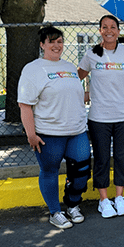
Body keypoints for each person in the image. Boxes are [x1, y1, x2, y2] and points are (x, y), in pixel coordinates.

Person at [18, 26, 90, 229]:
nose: (56, 45)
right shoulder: (32, 69)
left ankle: (72, 205)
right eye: (51, 41)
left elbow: (76, 96)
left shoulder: (68, 67)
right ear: (42, 44)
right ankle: (55, 212)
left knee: (81, 171)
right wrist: (31, 134)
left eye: (59, 41)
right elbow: (25, 105)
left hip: (76, 131)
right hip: (49, 133)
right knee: (50, 171)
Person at [77, 15, 124, 218]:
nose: (109, 30)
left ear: (119, 31)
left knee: (122, 157)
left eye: (113, 27)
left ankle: (119, 197)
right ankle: (104, 200)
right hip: (99, 117)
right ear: (100, 30)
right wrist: (81, 95)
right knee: (102, 159)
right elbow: (76, 78)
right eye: (105, 27)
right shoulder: (91, 54)